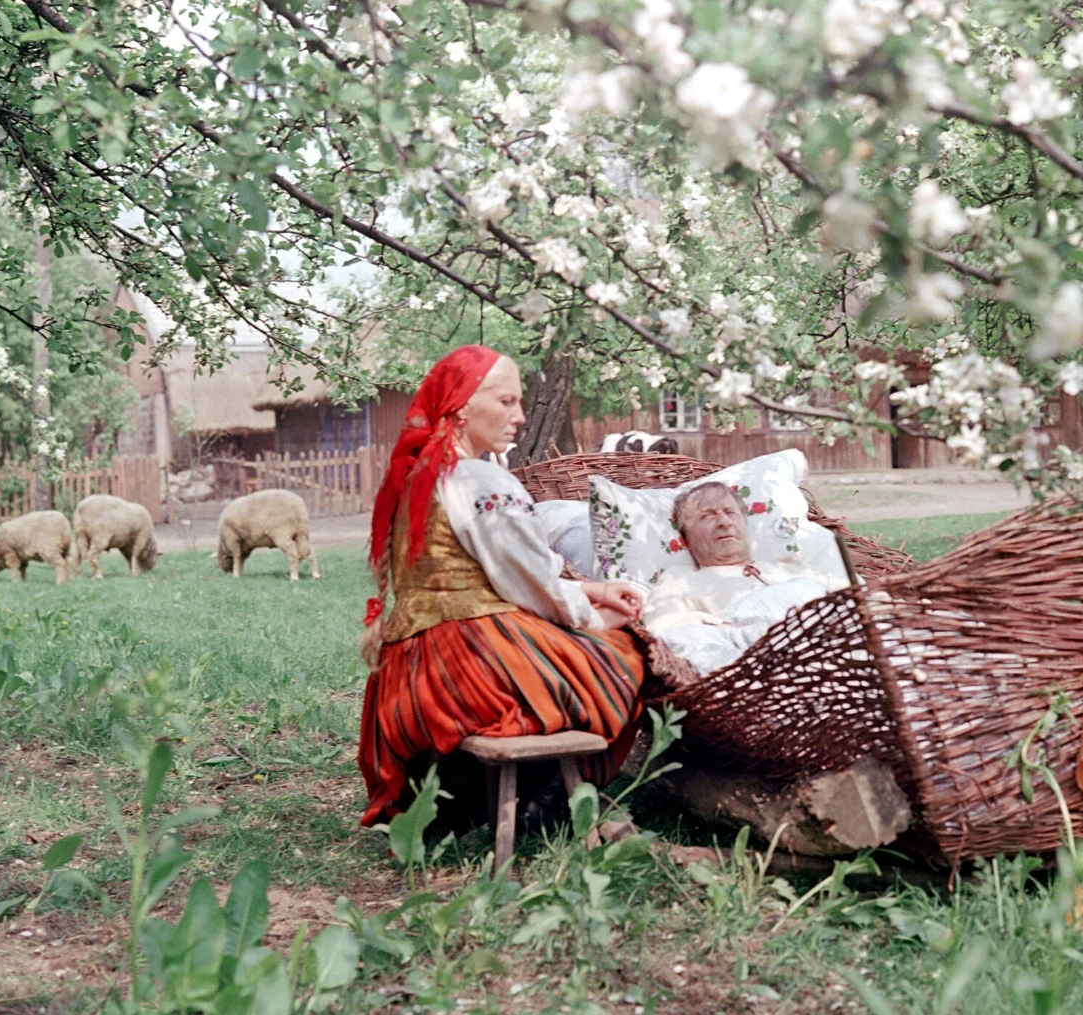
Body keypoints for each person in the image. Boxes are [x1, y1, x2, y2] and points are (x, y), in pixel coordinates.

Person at [358, 346, 646, 827]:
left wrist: (594, 590)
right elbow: (529, 587)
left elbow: (496, 567)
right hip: (470, 666)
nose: (519, 416)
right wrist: (593, 618)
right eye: (506, 401)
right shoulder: (479, 478)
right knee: (624, 655)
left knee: (582, 646)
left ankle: (465, 803)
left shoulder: (419, 479)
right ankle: (546, 801)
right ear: (463, 404)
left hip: (410, 672)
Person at [642, 482, 848, 673]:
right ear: (686, 535)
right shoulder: (681, 579)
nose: (724, 522)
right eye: (707, 516)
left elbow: (858, 596)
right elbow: (662, 628)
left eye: (730, 512)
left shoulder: (791, 565)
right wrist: (732, 628)